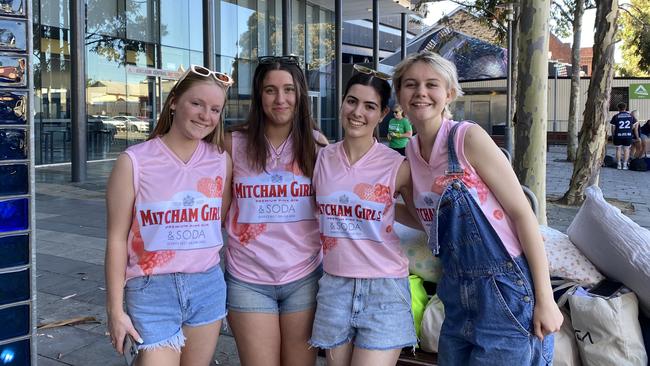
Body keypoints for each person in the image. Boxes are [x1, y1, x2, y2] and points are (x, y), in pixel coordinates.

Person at [393, 51, 562, 365]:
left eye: (432, 84)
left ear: (449, 94)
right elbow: (428, 220)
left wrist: (546, 298)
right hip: (455, 293)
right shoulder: (412, 151)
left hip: (505, 289)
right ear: (399, 94)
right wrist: (377, 207)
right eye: (411, 85)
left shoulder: (466, 138)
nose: (420, 92)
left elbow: (523, 213)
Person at [105, 65, 233, 365]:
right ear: (174, 101)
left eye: (215, 109)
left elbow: (217, 219)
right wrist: (114, 309)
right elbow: (115, 239)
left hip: (207, 286)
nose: (206, 115)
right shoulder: (134, 162)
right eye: (197, 103)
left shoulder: (220, 161)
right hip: (151, 290)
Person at [224, 55, 327, 366]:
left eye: (288, 89)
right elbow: (213, 212)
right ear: (258, 96)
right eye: (270, 90)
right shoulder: (233, 144)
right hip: (247, 278)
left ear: (300, 95)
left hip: (304, 276)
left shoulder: (318, 146)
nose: (280, 99)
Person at [309, 69, 416, 366]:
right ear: (342, 103)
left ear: (382, 114)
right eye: (352, 101)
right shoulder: (322, 157)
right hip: (334, 286)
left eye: (369, 106)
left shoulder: (398, 165)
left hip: (384, 288)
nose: (358, 112)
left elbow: (423, 218)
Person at [610, 103, 639, 169]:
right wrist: (629, 130)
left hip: (618, 135)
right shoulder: (631, 116)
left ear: (618, 108)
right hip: (628, 136)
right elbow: (634, 126)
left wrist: (613, 136)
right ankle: (625, 165)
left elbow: (613, 129)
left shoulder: (616, 116)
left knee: (618, 149)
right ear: (626, 108)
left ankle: (619, 165)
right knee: (626, 149)